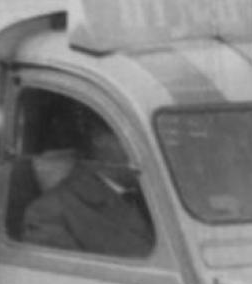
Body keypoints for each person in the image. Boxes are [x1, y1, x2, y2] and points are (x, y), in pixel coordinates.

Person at [21, 106, 154, 257]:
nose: (146, 150)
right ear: (99, 139)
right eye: (133, 138)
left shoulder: (154, 196)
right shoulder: (50, 214)